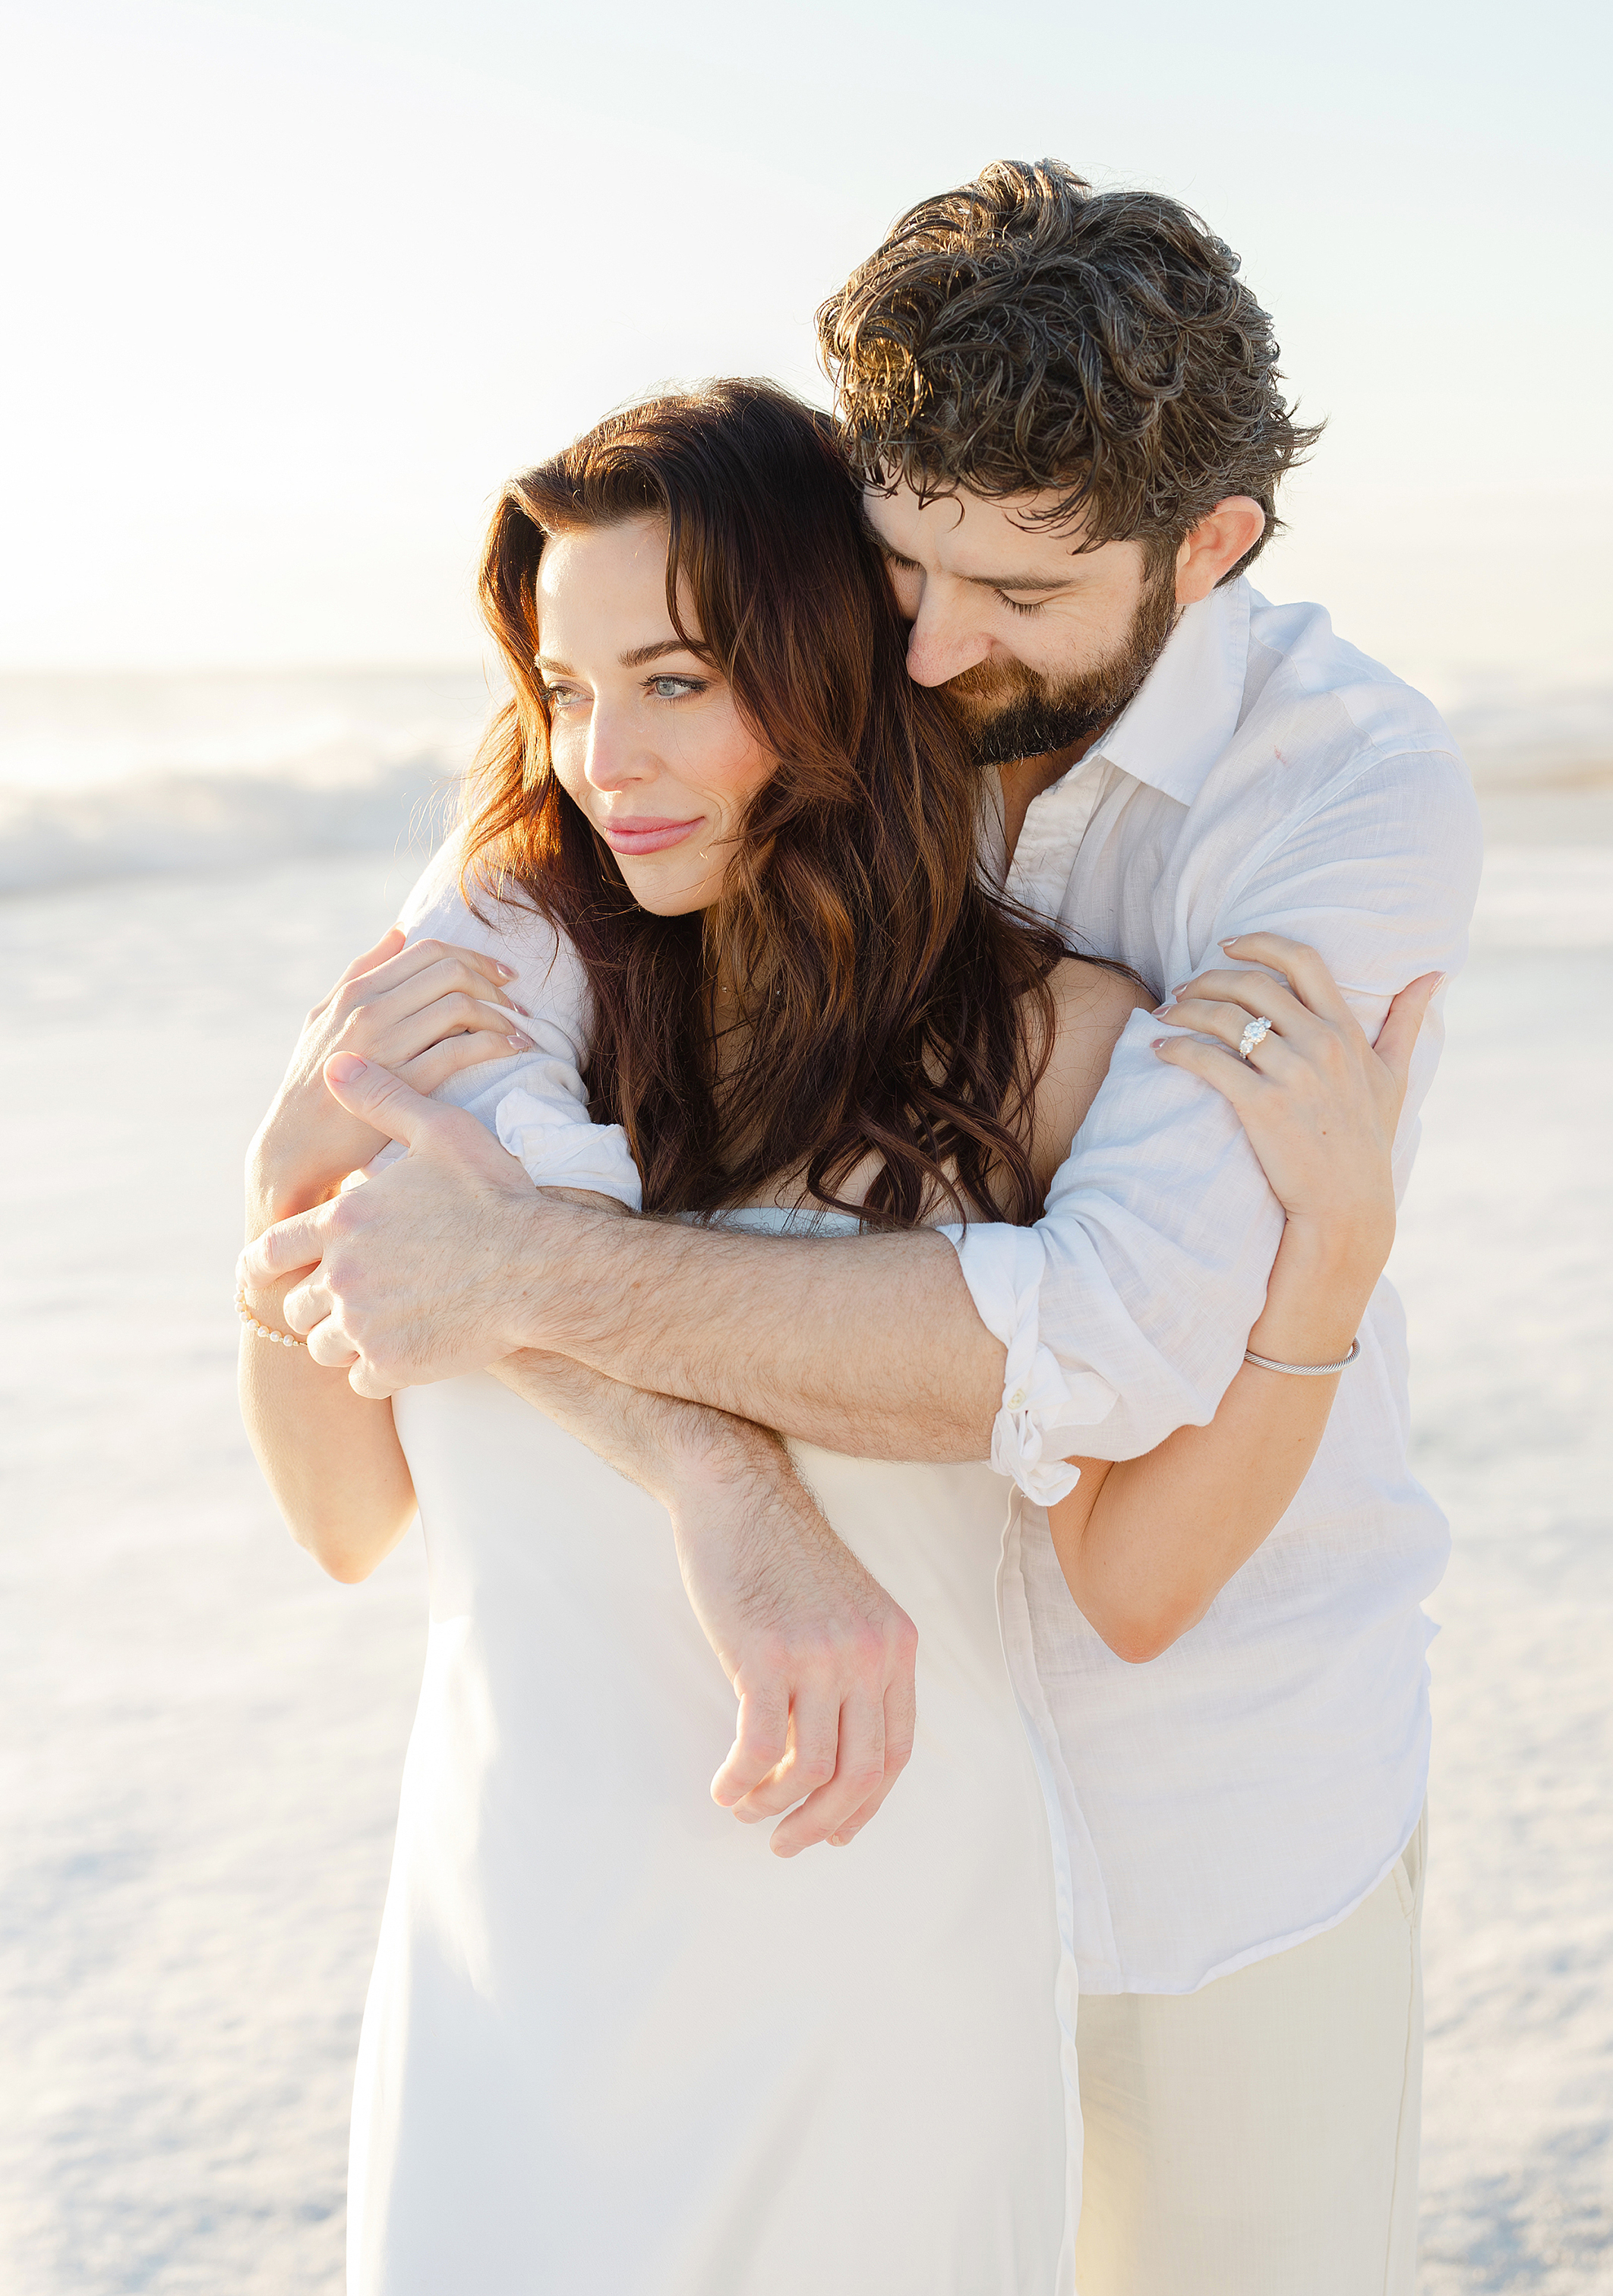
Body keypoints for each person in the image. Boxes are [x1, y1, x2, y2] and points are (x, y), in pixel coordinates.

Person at [248, 163, 1483, 2295]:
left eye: (1003, 589)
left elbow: (1101, 1342)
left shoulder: (1319, 818)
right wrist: (709, 1465)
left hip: (1198, 1807)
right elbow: (405, 1243)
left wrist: (531, 1284)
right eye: (891, 560)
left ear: (1209, 549)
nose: (925, 645)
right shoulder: (590, 858)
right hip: (590, 1923)